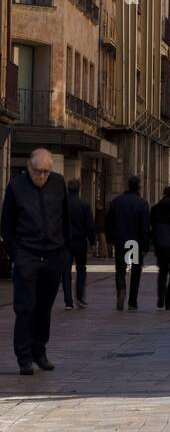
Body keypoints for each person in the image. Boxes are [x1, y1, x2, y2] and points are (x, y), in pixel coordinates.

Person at [1, 148, 70, 375]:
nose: (42, 176)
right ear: (29, 167)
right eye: (38, 171)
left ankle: (39, 351)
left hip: (53, 255)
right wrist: (16, 252)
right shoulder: (16, 187)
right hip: (27, 255)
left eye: (46, 172)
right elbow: (7, 223)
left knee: (44, 307)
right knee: (25, 307)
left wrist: (64, 251)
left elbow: (65, 217)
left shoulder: (58, 183)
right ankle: (23, 357)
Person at [106, 176, 150, 311]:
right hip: (134, 243)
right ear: (139, 187)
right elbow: (144, 226)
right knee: (135, 271)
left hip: (120, 241)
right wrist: (145, 245)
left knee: (120, 270)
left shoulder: (117, 201)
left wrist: (110, 239)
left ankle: (121, 289)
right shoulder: (142, 203)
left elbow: (109, 222)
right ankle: (132, 301)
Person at [64, 178, 96, 308]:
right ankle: (80, 297)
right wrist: (93, 242)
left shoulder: (61, 204)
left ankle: (68, 302)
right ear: (79, 189)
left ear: (67, 188)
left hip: (64, 242)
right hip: (80, 241)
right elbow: (89, 225)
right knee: (81, 269)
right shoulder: (84, 205)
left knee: (65, 271)